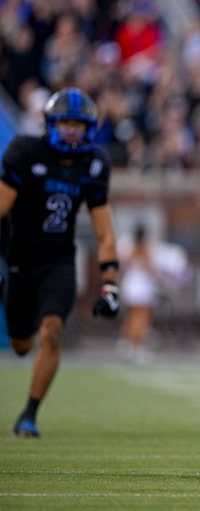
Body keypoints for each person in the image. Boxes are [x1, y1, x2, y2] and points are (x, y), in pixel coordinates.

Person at [1, 87, 120, 437]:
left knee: (51, 332)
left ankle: (29, 415)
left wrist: (110, 283)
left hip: (58, 261)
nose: (70, 130)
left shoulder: (93, 164)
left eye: (77, 124)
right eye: (64, 123)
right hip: (20, 260)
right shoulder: (26, 152)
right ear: (51, 123)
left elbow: (104, 231)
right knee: (22, 344)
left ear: (88, 128)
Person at [117, 224, 158, 363]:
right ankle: (136, 346)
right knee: (141, 318)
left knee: (132, 316)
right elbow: (150, 270)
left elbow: (122, 267)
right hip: (141, 288)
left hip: (131, 286)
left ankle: (128, 344)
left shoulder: (128, 249)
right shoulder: (143, 250)